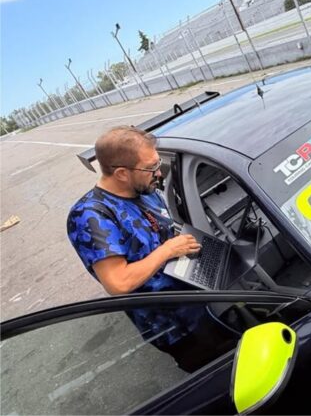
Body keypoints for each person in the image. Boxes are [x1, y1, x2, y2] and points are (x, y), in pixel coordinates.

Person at [67, 126, 232, 372]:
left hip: (197, 296)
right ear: (121, 173)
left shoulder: (144, 190)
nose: (159, 172)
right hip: (176, 325)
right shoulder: (91, 216)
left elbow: (163, 232)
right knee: (219, 370)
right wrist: (168, 250)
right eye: (151, 167)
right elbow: (118, 282)